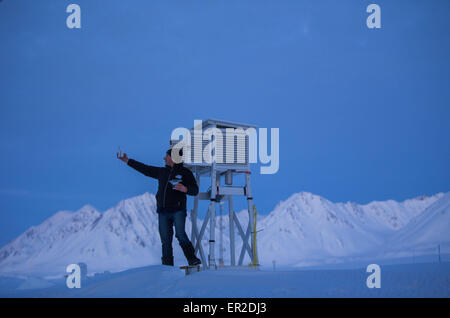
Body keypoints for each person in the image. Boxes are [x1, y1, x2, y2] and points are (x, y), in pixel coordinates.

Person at [117, 148, 201, 267]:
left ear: (173, 158)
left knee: (180, 235)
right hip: (163, 211)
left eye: (166, 156)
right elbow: (145, 169)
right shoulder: (162, 172)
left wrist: (185, 189)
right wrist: (127, 160)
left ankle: (193, 260)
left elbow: (195, 190)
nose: (164, 158)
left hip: (178, 210)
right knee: (165, 240)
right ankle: (167, 266)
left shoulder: (186, 173)